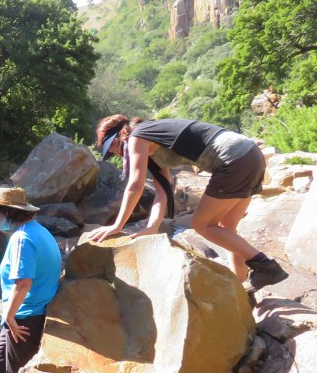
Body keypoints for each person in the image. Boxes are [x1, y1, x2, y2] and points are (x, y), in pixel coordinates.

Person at [86, 115, 288, 292]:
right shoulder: (152, 144)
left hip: (233, 159)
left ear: (121, 134)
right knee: (227, 228)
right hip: (250, 154)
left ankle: (265, 267)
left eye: (112, 146)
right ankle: (240, 284)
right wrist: (152, 227)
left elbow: (135, 185)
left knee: (202, 225)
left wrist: (117, 225)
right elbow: (162, 192)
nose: (115, 153)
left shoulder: (137, 137)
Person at [0, 186, 63, 373]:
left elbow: (23, 282)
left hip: (25, 317)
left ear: (7, 212)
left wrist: (9, 317)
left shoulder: (22, 239)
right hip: (30, 312)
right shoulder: (37, 230)